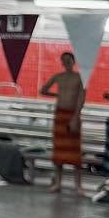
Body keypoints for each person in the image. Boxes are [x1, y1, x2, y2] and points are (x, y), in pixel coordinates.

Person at [40, 51, 86, 195]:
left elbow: (81, 99)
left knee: (75, 153)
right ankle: (58, 183)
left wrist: (75, 117)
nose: (66, 62)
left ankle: (78, 185)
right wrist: (57, 95)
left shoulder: (79, 78)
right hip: (60, 114)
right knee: (59, 152)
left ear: (74, 61)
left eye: (68, 60)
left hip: (73, 115)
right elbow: (43, 90)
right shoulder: (58, 77)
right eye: (64, 60)